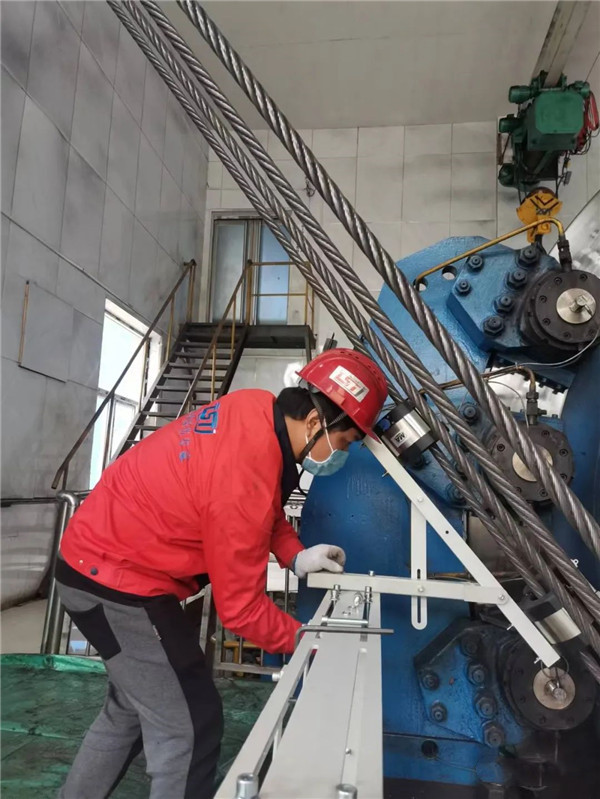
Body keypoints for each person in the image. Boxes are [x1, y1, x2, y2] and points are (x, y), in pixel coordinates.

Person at [55, 348, 388, 799]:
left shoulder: (255, 409)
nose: (341, 454)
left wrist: (295, 555)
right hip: (117, 585)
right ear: (314, 423)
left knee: (133, 709)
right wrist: (309, 641)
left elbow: (265, 504)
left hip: (93, 562)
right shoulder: (244, 477)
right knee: (189, 725)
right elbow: (241, 609)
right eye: (344, 443)